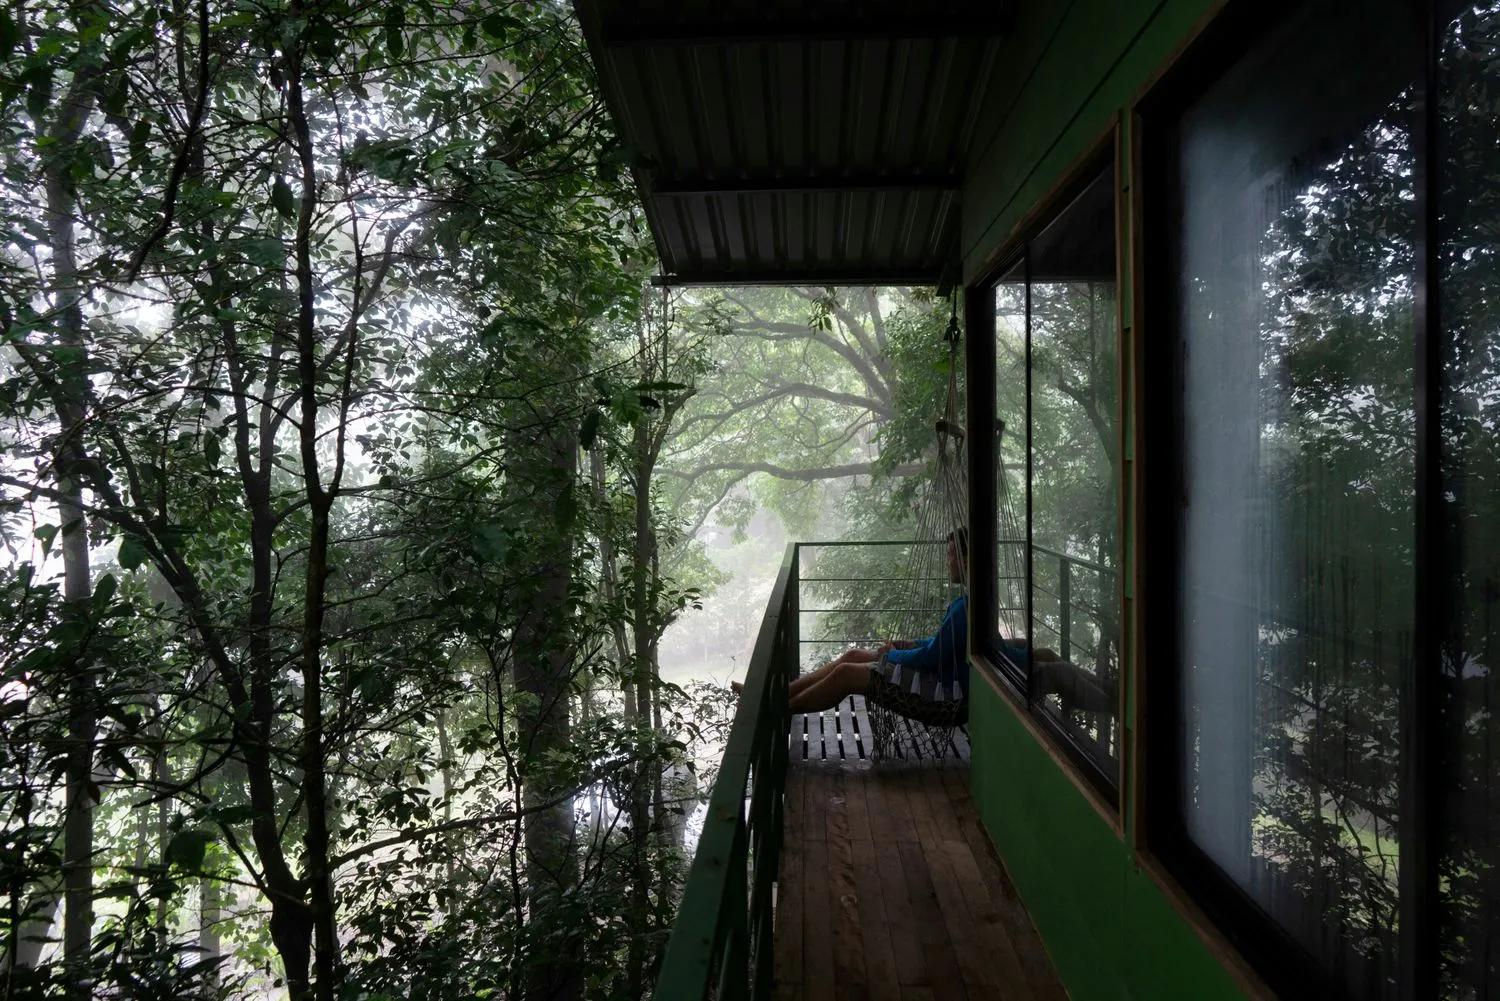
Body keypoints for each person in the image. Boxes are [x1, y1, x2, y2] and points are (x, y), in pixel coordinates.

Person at [788, 530, 974, 714]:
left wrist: (891, 655)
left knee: (845, 673)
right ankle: (787, 692)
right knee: (853, 655)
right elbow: (943, 645)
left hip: (946, 692)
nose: (947, 562)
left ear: (964, 561)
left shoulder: (964, 609)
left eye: (950, 555)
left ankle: (783, 709)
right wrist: (913, 643)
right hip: (944, 676)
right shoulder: (968, 603)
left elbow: (931, 658)